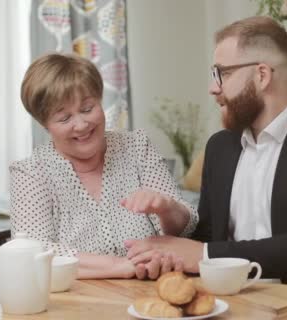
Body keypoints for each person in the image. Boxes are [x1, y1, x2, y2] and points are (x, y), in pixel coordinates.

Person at [125, 16, 287, 286]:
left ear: (262, 75)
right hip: (222, 302)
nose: (213, 87)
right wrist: (167, 251)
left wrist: (205, 254)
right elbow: (207, 236)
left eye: (223, 73)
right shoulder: (219, 147)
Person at [11, 53, 198, 280]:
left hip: (149, 294)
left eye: (88, 108)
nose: (81, 125)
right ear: (44, 124)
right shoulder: (31, 173)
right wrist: (123, 266)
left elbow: (185, 230)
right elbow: (33, 252)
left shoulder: (137, 147)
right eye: (64, 118)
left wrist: (167, 207)